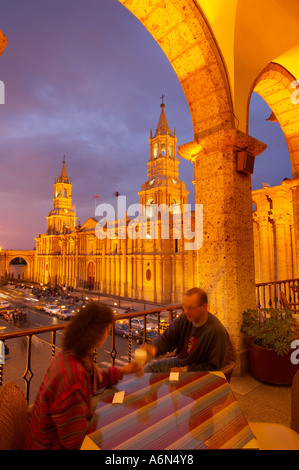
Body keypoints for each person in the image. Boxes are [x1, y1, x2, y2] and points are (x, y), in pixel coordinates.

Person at [23, 302, 142, 450]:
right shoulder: (72, 375)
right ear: (96, 332)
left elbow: (93, 380)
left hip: (45, 438)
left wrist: (123, 371)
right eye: (108, 329)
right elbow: (75, 442)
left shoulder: (71, 355)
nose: (108, 333)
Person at [143, 287, 229, 373]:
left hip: (199, 372)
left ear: (204, 307)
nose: (186, 311)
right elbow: (167, 339)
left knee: (176, 382)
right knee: (148, 369)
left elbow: (213, 367)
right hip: (181, 362)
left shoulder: (216, 331)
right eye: (185, 307)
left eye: (191, 308)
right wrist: (154, 349)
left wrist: (184, 370)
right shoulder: (184, 318)